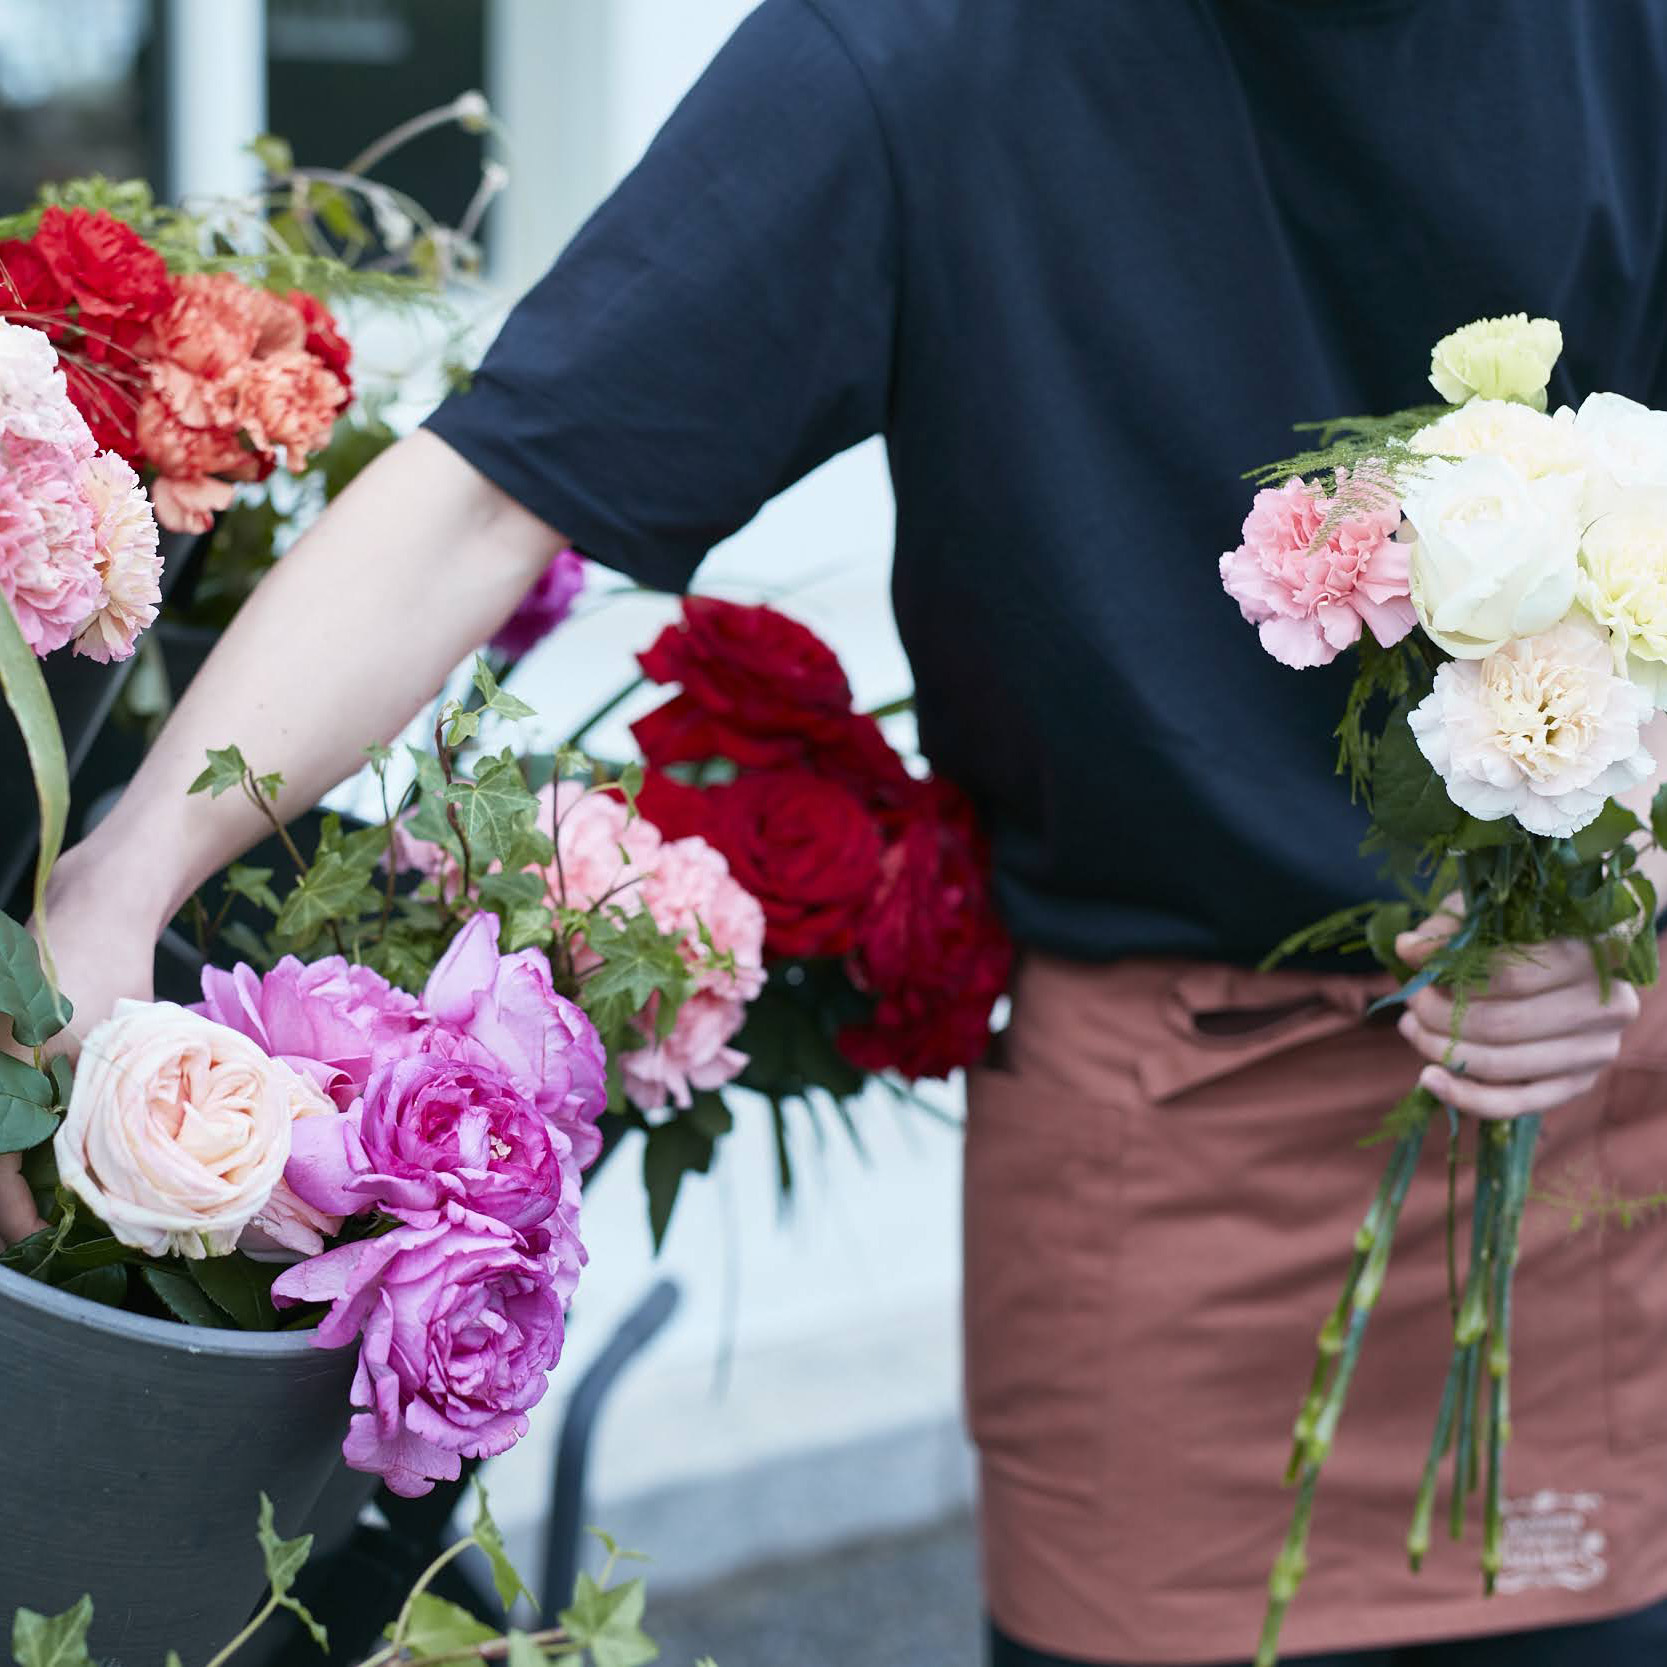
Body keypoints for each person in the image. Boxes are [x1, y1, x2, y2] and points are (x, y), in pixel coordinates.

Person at [8, 2, 1667, 1662]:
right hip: (1169, 1150)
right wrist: (129, 871)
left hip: (1573, 1125)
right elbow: (487, 493)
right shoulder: (917, 54)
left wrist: (1625, 890)